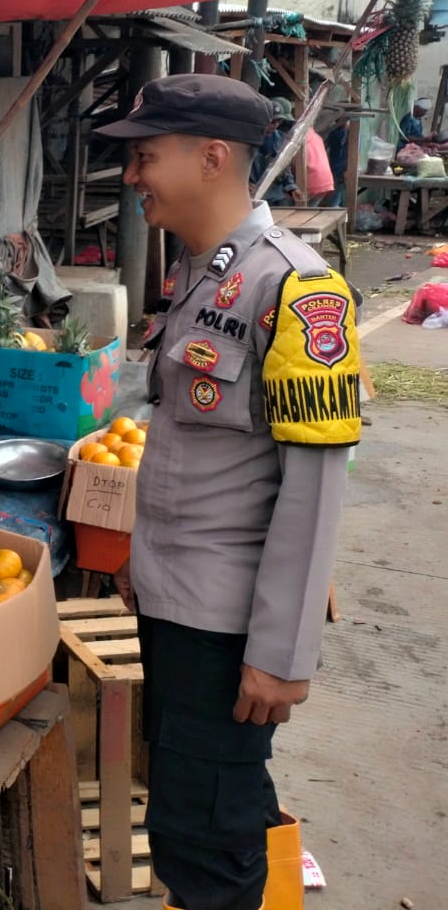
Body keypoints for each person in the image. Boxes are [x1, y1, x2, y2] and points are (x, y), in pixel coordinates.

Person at [96, 75, 361, 910]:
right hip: (177, 599)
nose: (131, 177)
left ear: (211, 158)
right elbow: (188, 445)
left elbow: (313, 487)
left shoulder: (297, 289)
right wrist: (140, 555)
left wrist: (282, 655)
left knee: (207, 838)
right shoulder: (201, 273)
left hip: (227, 623)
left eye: (145, 156)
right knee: (201, 808)